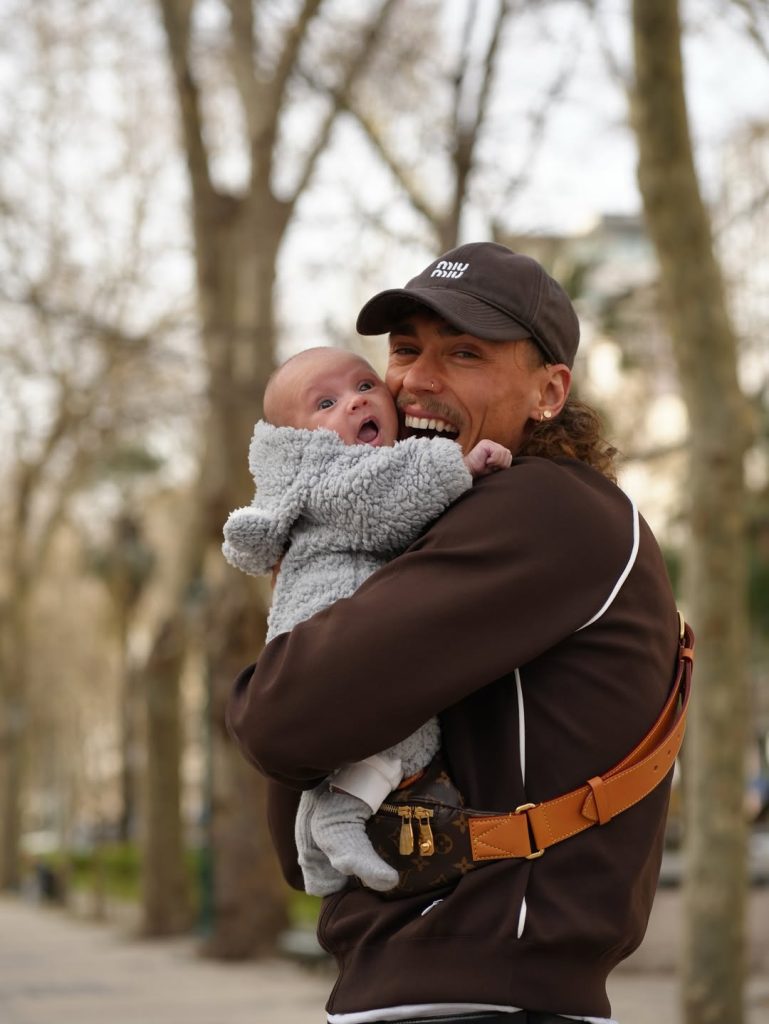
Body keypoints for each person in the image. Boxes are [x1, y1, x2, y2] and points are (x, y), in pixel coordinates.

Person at [226, 243, 681, 1024]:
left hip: (484, 989)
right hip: (432, 985)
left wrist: (284, 665)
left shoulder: (543, 509)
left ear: (548, 391)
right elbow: (299, 835)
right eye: (405, 350)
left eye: (463, 353)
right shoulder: (435, 526)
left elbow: (278, 721)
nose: (414, 380)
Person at [222, 346, 511, 897]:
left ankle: (316, 842)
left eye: (363, 386)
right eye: (325, 403)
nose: (354, 403)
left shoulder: (337, 470)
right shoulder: (328, 473)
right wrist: (462, 464)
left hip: (331, 625)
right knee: (402, 727)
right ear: (298, 437)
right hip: (328, 618)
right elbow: (386, 498)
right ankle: (339, 815)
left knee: (387, 731)